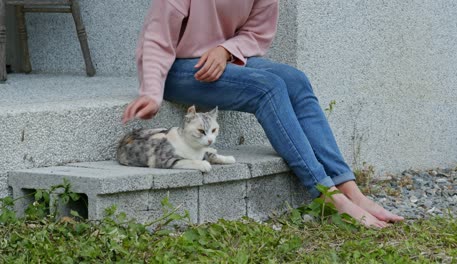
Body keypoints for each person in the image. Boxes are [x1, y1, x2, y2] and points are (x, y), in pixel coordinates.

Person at [122, 0, 404, 228]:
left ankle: (350, 189)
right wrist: (151, 91)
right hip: (177, 70)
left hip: (222, 62)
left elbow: (257, 33)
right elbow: (157, 38)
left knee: (295, 80)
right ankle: (328, 195)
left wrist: (225, 50)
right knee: (267, 88)